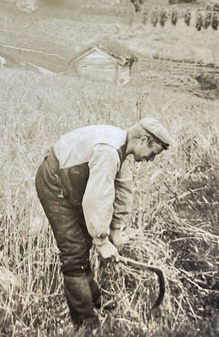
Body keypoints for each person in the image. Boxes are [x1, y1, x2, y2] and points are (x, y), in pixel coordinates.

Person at [35, 117, 172, 329]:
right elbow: (97, 197)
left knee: (82, 246)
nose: (151, 160)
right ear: (144, 140)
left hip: (73, 181)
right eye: (153, 153)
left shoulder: (121, 146)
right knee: (73, 253)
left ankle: (94, 301)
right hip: (55, 184)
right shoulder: (109, 151)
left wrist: (116, 229)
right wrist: (101, 240)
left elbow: (123, 188)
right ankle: (87, 324)